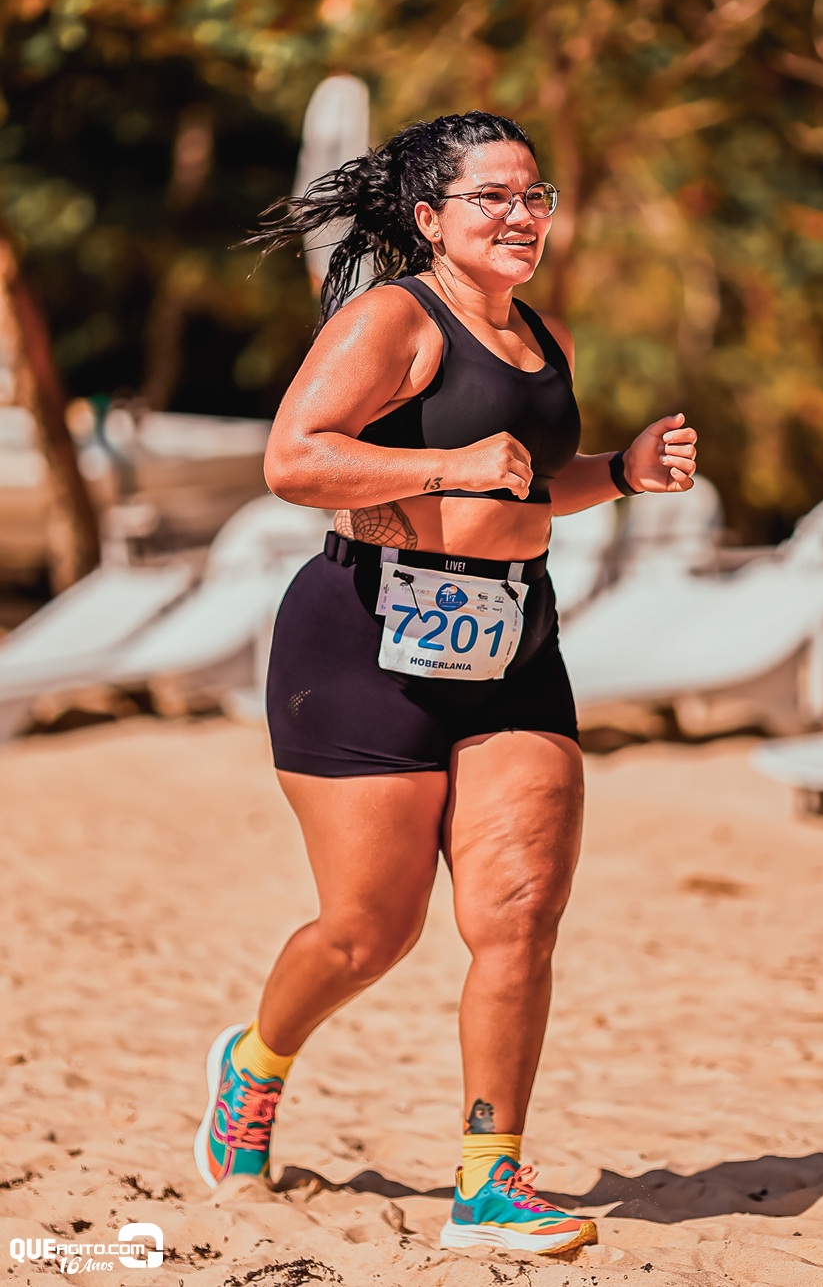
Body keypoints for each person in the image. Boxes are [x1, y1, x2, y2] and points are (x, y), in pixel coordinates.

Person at [193, 110, 697, 1258]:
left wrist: (618, 472)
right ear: (429, 217)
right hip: (363, 639)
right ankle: (254, 1063)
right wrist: (443, 464)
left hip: (511, 642)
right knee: (370, 930)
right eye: (492, 197)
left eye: (535, 196)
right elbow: (294, 458)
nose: (522, 215)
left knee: (518, 911)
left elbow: (526, 485)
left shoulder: (546, 336)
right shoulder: (393, 319)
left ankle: (487, 1180)